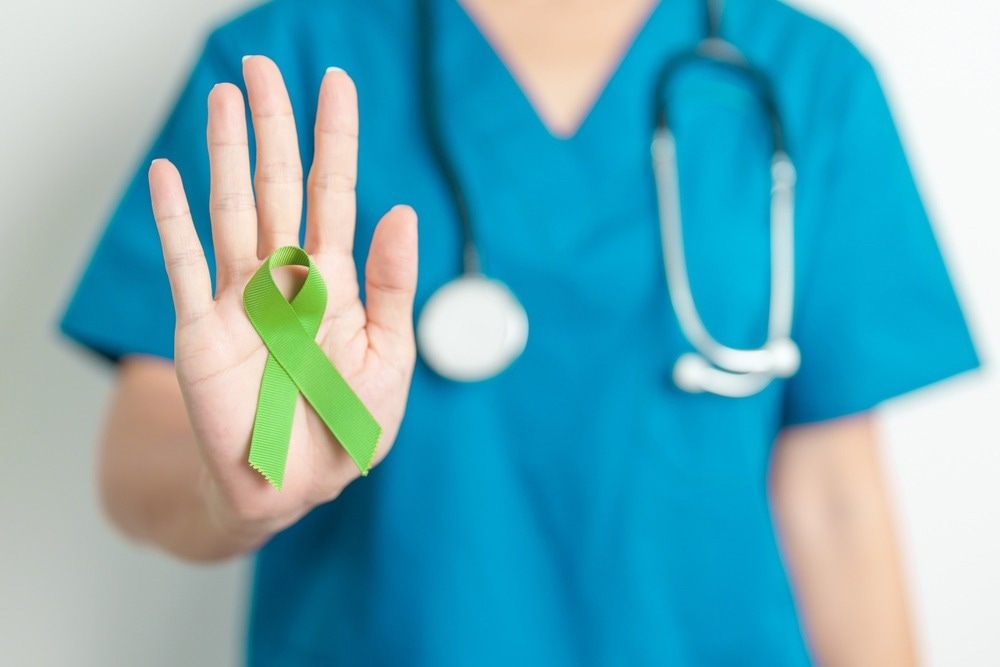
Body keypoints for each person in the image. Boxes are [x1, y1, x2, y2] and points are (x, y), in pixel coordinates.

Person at [60, 0, 979, 664]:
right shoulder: (288, 62)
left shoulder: (806, 77)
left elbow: (835, 502)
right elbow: (142, 452)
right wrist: (244, 486)